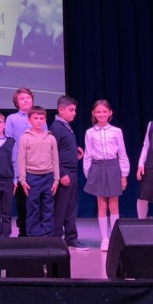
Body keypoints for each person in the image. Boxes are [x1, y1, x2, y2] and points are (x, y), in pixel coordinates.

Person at [83, 99, 129, 252]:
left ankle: (115, 238)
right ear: (93, 113)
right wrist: (88, 173)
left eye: (104, 111)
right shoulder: (90, 133)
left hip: (113, 167)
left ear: (110, 113)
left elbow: (122, 153)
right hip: (98, 168)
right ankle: (104, 239)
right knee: (101, 203)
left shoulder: (116, 131)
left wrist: (124, 174)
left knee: (114, 203)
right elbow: (88, 154)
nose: (101, 114)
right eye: (98, 112)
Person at [5, 87, 45, 237]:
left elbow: (45, 138)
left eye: (27, 98)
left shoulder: (39, 117)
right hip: (19, 164)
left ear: (32, 100)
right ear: (17, 102)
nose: (25, 100)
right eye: (21, 99)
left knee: (37, 200)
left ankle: (37, 231)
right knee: (22, 200)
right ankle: (23, 232)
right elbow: (9, 142)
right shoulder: (12, 119)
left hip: (38, 165)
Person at [49, 95, 86, 249]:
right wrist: (62, 173)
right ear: (61, 110)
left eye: (74, 110)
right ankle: (57, 239)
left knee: (71, 208)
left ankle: (71, 238)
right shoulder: (56, 128)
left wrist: (74, 149)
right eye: (71, 110)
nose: (74, 113)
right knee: (61, 208)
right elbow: (52, 152)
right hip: (64, 173)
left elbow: (63, 146)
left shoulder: (65, 126)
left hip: (72, 172)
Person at [18, 106, 59, 237]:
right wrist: (22, 180)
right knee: (33, 208)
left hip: (48, 176)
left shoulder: (50, 138)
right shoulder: (25, 138)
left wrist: (56, 179)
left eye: (41, 118)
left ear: (45, 120)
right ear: (29, 120)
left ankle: (47, 235)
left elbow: (55, 159)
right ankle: (33, 236)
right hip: (32, 177)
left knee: (48, 208)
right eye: (36, 118)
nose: (39, 121)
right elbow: (21, 159)